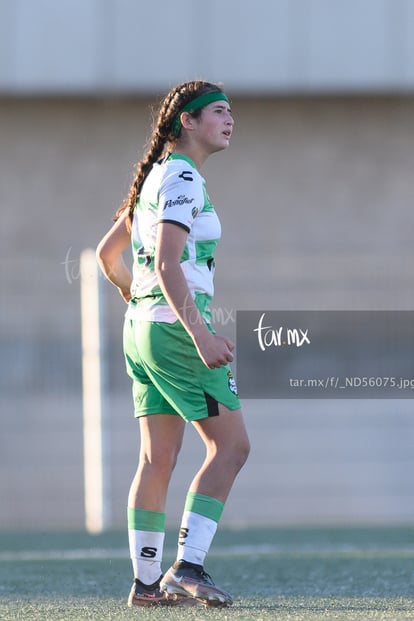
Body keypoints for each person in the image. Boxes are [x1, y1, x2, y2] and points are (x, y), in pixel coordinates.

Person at [96, 80, 250, 608]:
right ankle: (188, 566)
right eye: (219, 112)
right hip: (174, 331)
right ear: (187, 120)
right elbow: (165, 264)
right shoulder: (182, 175)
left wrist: (134, 301)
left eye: (232, 112)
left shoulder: (158, 176)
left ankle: (144, 585)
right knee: (231, 447)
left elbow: (105, 253)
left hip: (141, 330)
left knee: (156, 458)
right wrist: (200, 333)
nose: (230, 120)